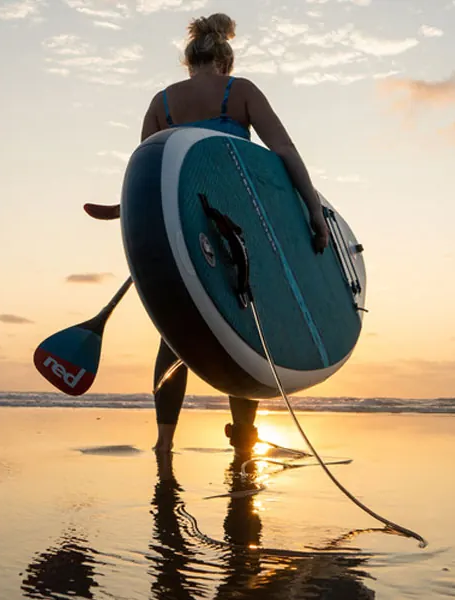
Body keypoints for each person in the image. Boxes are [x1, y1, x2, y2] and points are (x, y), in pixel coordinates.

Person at [84, 13, 330, 453]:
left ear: (190, 60)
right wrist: (313, 210)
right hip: (234, 228)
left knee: (175, 332)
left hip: (181, 235)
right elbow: (284, 150)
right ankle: (245, 439)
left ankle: (164, 441)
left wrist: (119, 213)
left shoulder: (161, 103)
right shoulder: (241, 92)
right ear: (225, 62)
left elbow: (144, 179)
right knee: (242, 325)